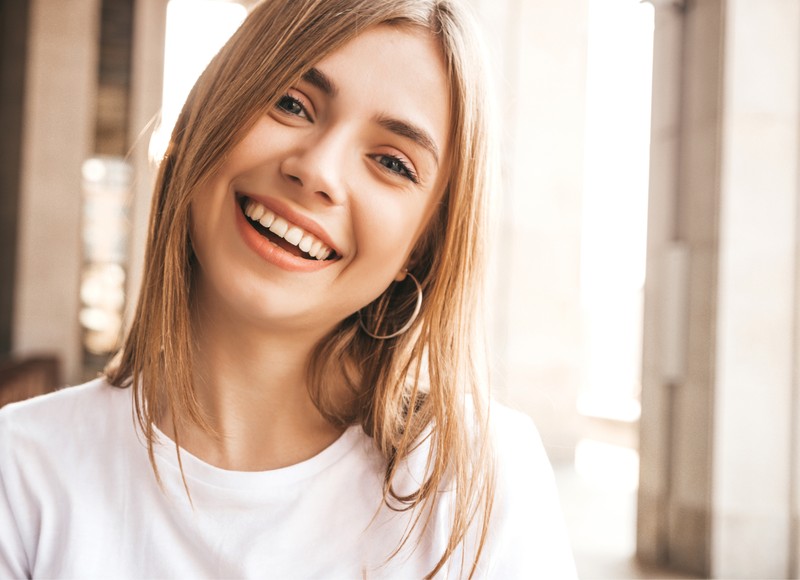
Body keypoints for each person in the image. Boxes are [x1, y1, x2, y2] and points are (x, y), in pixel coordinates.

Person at [0, 0, 576, 577]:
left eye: (393, 163)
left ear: (421, 247)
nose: (318, 170)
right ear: (211, 112)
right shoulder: (20, 474)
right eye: (291, 103)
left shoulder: (480, 479)